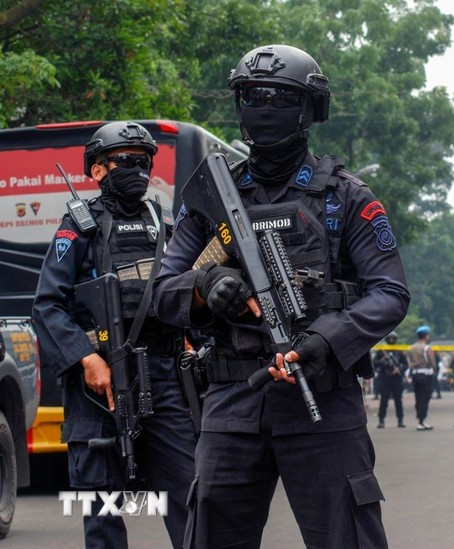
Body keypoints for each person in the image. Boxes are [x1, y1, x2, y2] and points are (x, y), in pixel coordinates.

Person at [153, 44, 410, 548]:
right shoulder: (209, 199)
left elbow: (390, 292)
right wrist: (207, 287)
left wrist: (325, 339)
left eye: (279, 98)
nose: (264, 110)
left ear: (309, 110)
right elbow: (162, 289)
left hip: (323, 401)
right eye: (252, 97)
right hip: (232, 400)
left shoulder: (347, 198)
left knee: (347, 537)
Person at [31, 121, 196, 548]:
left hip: (162, 375)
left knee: (190, 496)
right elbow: (47, 304)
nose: (136, 170)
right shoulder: (79, 226)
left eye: (144, 162)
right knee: (103, 509)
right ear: (98, 169)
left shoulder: (164, 224)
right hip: (98, 384)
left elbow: (184, 290)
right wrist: (87, 359)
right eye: (125, 161)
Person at [373, 331, 407, 428]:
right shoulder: (381, 351)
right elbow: (374, 363)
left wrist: (399, 369)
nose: (391, 340)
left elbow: (405, 365)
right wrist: (382, 361)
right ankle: (381, 420)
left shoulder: (399, 351)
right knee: (383, 401)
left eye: (393, 338)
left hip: (397, 379)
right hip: (385, 378)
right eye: (390, 338)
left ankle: (400, 420)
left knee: (398, 401)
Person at [406, 325, 436, 430]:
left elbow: (409, 362)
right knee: (425, 397)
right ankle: (421, 420)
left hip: (415, 374)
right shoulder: (427, 348)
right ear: (426, 336)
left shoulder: (411, 348)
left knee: (418, 397)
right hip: (425, 375)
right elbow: (432, 363)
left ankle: (420, 419)